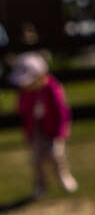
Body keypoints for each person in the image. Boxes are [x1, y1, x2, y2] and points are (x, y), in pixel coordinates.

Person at [8, 52, 78, 198]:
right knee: (36, 160)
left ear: (40, 76)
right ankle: (40, 185)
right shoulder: (26, 93)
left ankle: (64, 177)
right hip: (36, 131)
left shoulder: (53, 88)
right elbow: (23, 110)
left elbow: (62, 111)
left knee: (57, 156)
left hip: (53, 130)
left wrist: (63, 129)